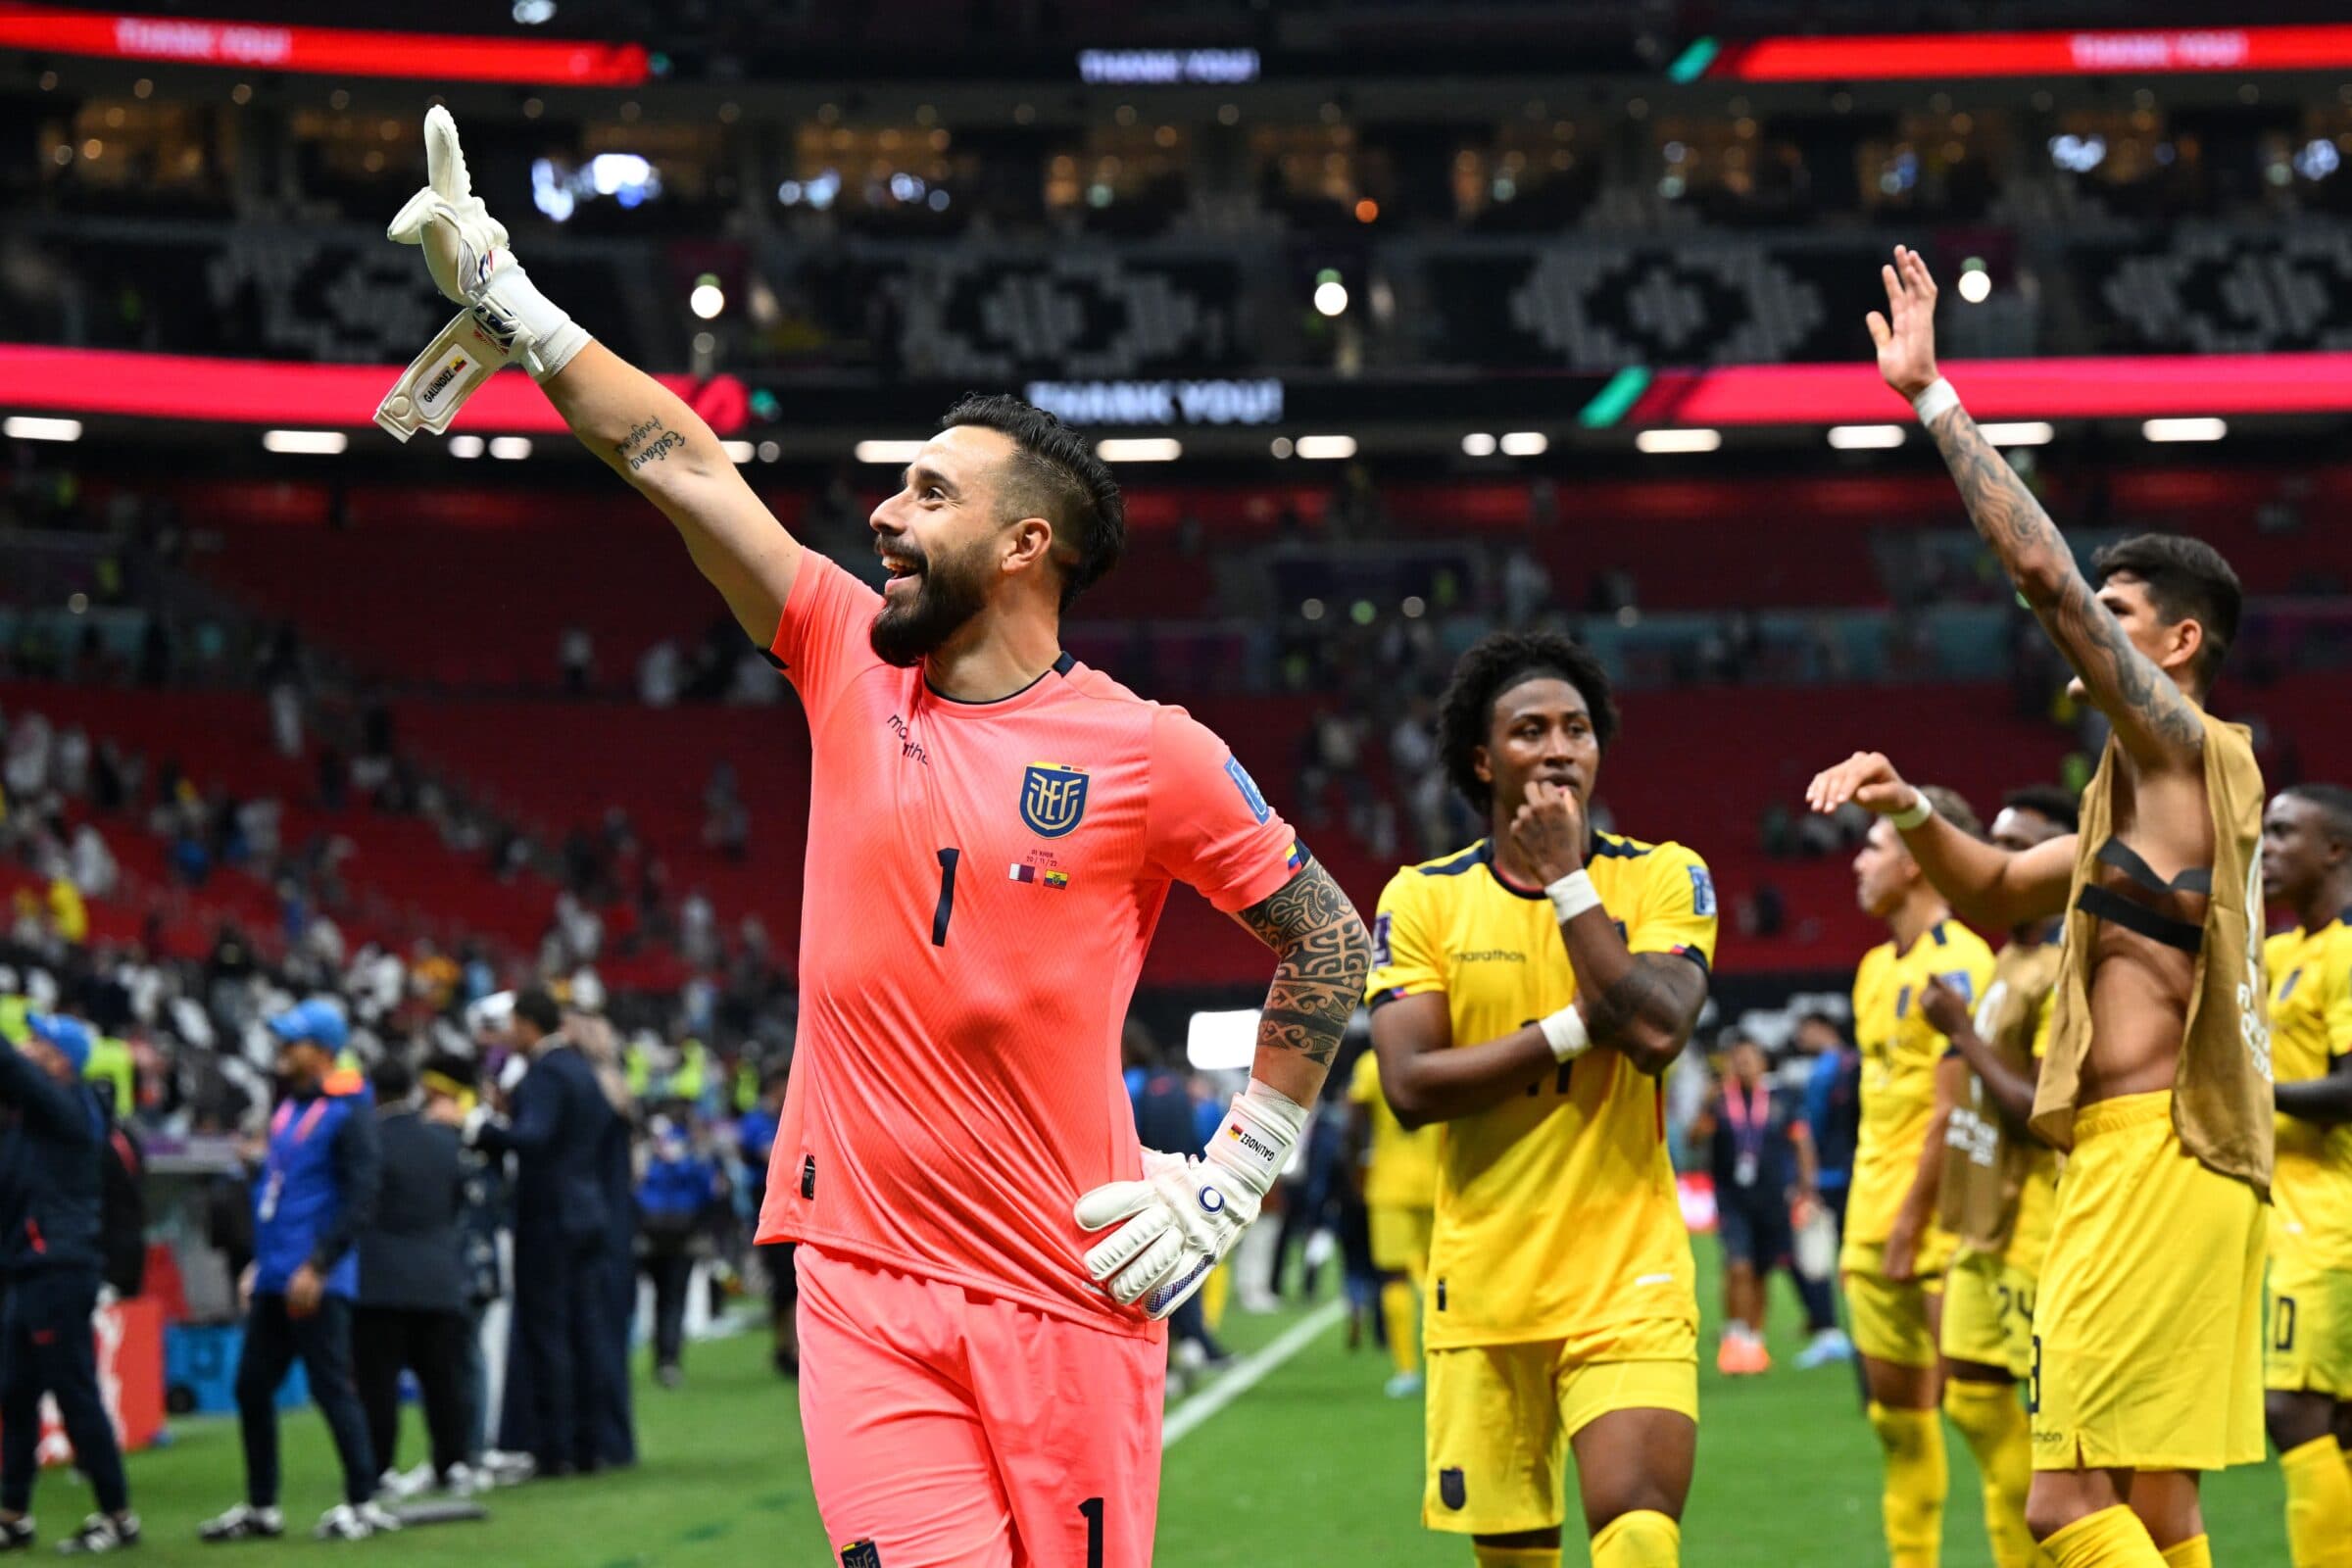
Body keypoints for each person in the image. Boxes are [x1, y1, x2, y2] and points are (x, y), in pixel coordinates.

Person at [389, 110, 1369, 1568]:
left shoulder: (1149, 751)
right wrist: (516, 306)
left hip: (1067, 1288)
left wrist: (1233, 1182)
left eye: (927, 493)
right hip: (859, 1281)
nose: (882, 514)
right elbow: (676, 459)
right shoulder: (844, 652)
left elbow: (1333, 944)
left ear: (1026, 544)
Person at [1813, 243, 2269, 1567]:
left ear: (2176, 644)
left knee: (2062, 1508)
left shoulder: (2187, 748)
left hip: (2150, 1154)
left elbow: (2047, 584)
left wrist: (1935, 401)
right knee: (2160, 1506)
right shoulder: (2136, 800)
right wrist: (1910, 811)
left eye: (2128, 616)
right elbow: (1998, 887)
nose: (2094, 634)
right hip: (2182, 1163)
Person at [1367, 629, 1715, 1568]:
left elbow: (1653, 1034)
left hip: (1626, 1276)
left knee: (1639, 1530)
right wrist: (1568, 1030)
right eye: (1530, 730)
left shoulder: (1662, 874)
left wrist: (1568, 880)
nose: (1559, 747)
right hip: (1485, 1289)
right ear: (1484, 760)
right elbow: (1409, 1086)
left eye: (1577, 729)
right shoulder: (1422, 899)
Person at [1915, 785, 2079, 1568]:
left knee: (2060, 1437)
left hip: (2043, 1226)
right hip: (1988, 1222)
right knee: (1972, 1397)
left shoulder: (2068, 964)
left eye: (2022, 848)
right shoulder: (2009, 955)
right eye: (1998, 843)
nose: (2002, 861)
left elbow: (2040, 1111)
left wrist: (1958, 1033)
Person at [1839, 782, 1996, 1568]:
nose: (1858, 862)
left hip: (1934, 1229)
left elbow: (1949, 1110)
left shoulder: (1964, 964)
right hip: (1869, 1227)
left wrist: (1909, 1224)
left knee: (1981, 1412)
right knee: (1897, 1425)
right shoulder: (1872, 968)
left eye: (1873, 846)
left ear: (1913, 859)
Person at [200, 1000, 391, 1544]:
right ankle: (263, 1507)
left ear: (323, 1051)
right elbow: (283, 1195)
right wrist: (262, 1263)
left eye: (293, 1041)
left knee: (332, 1387)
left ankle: (363, 1501)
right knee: (251, 1386)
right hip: (277, 1272)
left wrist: (321, 1264)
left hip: (316, 1276)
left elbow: (362, 1196)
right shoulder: (292, 1106)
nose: (282, 1049)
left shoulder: (349, 1109)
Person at [448, 989, 616, 1481]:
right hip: (589, 1212)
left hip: (550, 1219)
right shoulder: (583, 1070)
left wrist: (480, 1127)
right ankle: (589, 1446)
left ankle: (554, 1449)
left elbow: (534, 1138)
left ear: (526, 1024)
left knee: (549, 1333)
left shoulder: (545, 1072)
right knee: (586, 1332)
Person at [0, 1014, 137, 1554]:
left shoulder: (67, 1107)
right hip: (31, 1268)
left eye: (37, 1041)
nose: (26, 1047)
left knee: (75, 1392)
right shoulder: (35, 1119)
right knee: (14, 1391)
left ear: (61, 1061)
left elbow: (8, 1066)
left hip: (57, 1268)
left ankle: (118, 1515)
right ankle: (13, 1513)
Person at [2258, 782, 2352, 1566]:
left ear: (2337, 851)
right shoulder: (2282, 951)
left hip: (2330, 1222)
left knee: (2292, 1409)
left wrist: (2248, 1097)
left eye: (2286, 832)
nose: (2268, 846)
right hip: (2285, 1214)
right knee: (2338, 1424)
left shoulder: (2349, 949)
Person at [353, 1054, 471, 1499]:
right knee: (443, 1380)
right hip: (439, 1275)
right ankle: (452, 1463)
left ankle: (379, 1467)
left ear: (375, 1093)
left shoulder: (369, 1140)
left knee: (378, 1383)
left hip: (380, 1277)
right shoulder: (443, 1142)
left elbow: (359, 1204)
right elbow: (457, 1201)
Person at [1690, 1032, 1822, 1377]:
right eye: (1738, 1059)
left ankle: (1753, 1339)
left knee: (1763, 1270)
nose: (1744, 1064)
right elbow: (1694, 1139)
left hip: (1773, 1197)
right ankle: (1735, 1334)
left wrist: (1808, 1186)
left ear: (1763, 1064)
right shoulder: (1719, 1102)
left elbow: (1801, 1142)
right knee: (1738, 1266)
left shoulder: (1782, 1099)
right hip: (1732, 1197)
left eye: (1750, 1058)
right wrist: (1705, 1105)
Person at [1346, 1039, 1439, 1398]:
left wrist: (1355, 1176)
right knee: (1437, 1275)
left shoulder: (1372, 1064)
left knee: (1395, 1276)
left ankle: (1407, 1370)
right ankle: (1447, 1358)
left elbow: (1355, 1126)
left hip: (1389, 1184)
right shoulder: (1437, 1054)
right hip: (1437, 1181)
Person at [635, 1112, 724, 1388]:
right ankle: (668, 1360)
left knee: (660, 1299)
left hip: (652, 1238)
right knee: (673, 1300)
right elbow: (709, 1192)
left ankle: (663, 1358)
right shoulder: (692, 1159)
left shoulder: (647, 1159)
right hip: (681, 1238)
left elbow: (635, 1193)